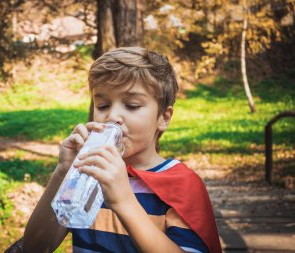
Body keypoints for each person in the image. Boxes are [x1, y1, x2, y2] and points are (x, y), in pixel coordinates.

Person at [22, 47, 222, 253]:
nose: (112, 116)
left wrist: (123, 201)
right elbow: (34, 248)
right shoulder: (90, 175)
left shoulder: (182, 184)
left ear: (164, 117)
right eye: (102, 105)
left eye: (132, 105)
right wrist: (63, 172)